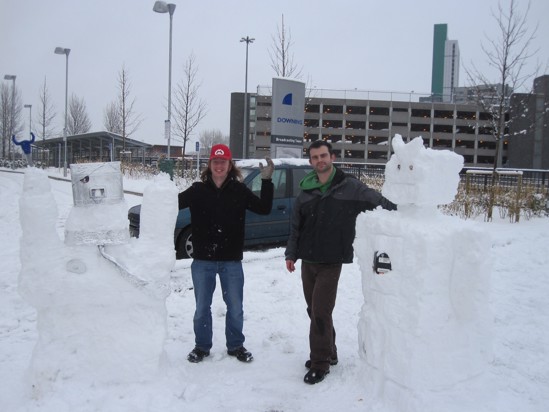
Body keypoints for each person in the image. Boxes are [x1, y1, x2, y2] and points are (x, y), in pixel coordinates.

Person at [285, 140, 396, 384]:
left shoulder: (350, 187)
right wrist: (291, 254)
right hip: (308, 261)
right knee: (313, 310)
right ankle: (329, 351)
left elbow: (378, 201)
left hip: (331, 261)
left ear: (332, 157)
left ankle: (320, 362)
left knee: (321, 311)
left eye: (323, 155)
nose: (319, 160)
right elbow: (296, 227)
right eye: (314, 157)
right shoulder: (305, 191)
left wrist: (404, 209)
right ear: (311, 161)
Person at [178, 144, 274, 363]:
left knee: (236, 307)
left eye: (223, 162)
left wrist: (266, 181)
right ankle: (201, 346)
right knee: (202, 308)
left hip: (231, 261)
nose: (219, 166)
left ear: (230, 165)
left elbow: (264, 208)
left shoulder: (239, 191)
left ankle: (236, 345)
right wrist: (159, 190)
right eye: (215, 162)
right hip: (203, 261)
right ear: (210, 165)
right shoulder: (197, 191)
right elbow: (169, 204)